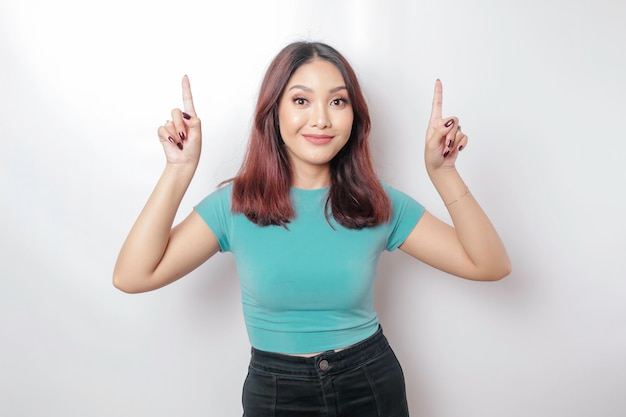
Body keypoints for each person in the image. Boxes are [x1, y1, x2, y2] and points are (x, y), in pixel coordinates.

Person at [113, 41, 511, 416]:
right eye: (301, 100)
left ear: (354, 117)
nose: (321, 118)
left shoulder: (377, 204)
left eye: (338, 101)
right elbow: (132, 276)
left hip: (369, 384)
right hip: (275, 392)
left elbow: (489, 265)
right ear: (275, 112)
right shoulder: (235, 205)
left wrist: (443, 174)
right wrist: (179, 170)